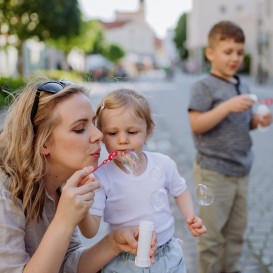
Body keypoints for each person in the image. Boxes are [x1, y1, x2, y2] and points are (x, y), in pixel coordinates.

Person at [0, 78, 157, 273]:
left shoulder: (60, 182)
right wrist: (64, 220)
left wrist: (113, 243)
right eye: (80, 129)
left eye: (93, 122)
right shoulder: (4, 193)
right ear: (42, 143)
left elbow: (66, 263)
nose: (99, 135)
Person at [78, 88, 207, 273]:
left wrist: (190, 216)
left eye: (131, 132)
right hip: (124, 259)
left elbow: (180, 191)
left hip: (166, 255)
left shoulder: (163, 164)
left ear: (148, 131)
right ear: (101, 136)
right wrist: (81, 205)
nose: (122, 140)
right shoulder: (100, 177)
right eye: (112, 133)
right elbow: (90, 231)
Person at [188, 20, 272, 273]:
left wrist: (259, 121)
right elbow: (197, 124)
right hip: (214, 172)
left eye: (239, 52)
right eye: (228, 52)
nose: (235, 58)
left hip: (241, 172)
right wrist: (226, 106)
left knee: (236, 233)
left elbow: (244, 124)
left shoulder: (242, 85)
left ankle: (230, 269)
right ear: (210, 53)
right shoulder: (203, 86)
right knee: (211, 237)